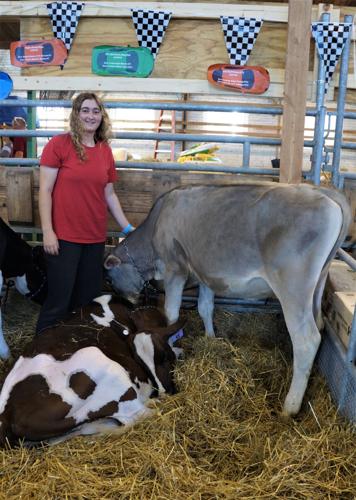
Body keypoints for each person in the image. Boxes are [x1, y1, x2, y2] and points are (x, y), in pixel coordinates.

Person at [36, 92, 134, 333]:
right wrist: (48, 232)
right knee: (58, 302)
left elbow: (109, 194)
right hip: (64, 238)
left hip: (94, 238)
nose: (91, 116)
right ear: (76, 114)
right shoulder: (59, 144)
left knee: (87, 303)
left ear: (102, 116)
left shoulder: (104, 151)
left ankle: (75, 353)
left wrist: (128, 229)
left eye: (96, 111)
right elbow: (45, 191)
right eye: (85, 110)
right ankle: (39, 352)